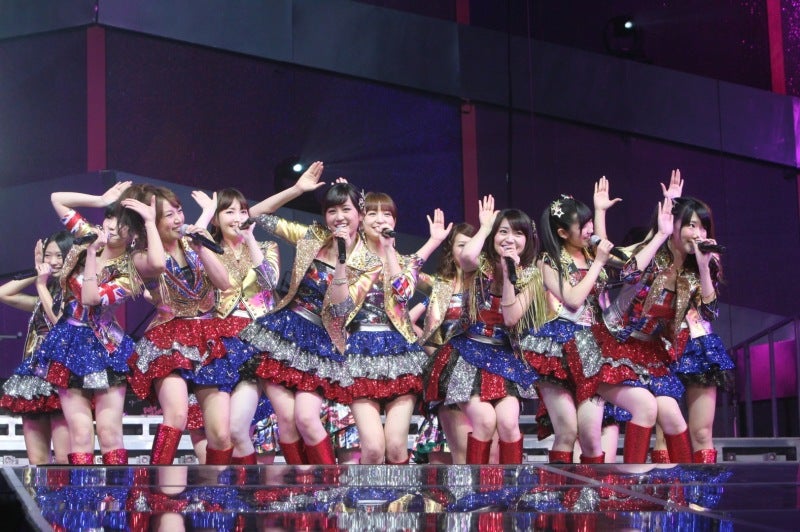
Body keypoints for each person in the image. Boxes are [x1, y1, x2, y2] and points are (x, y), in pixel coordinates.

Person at [570, 192, 716, 464]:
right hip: (611, 346)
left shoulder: (693, 274)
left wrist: (705, 268)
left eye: (703, 227)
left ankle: (683, 486)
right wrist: (660, 235)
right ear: (674, 224)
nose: (698, 234)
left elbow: (707, 313)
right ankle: (630, 483)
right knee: (644, 409)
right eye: (691, 225)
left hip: (649, 352)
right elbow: (628, 271)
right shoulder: (652, 254)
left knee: (673, 417)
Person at [242, 171, 362, 465]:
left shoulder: (368, 260)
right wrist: (296, 189)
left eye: (346, 209)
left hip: (323, 341)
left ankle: (326, 484)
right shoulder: (313, 237)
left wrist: (343, 258)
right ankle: (302, 487)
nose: (339, 217)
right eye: (331, 210)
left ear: (360, 214)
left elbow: (342, 307)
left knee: (307, 418)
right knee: (286, 420)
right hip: (285, 332)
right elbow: (254, 215)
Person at [326, 193, 450, 464]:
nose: (379, 219)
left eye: (387, 214)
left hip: (399, 354)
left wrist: (390, 250)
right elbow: (338, 307)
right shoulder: (350, 257)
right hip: (359, 352)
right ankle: (366, 494)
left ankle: (399, 494)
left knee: (395, 447)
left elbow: (403, 293)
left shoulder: (405, 261)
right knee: (372, 449)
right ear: (361, 219)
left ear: (394, 221)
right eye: (372, 213)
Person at [120, 184, 233, 465]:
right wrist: (149, 222)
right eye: (168, 215)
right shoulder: (140, 256)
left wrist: (201, 247)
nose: (178, 219)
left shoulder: (194, 242)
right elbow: (158, 265)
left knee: (221, 433)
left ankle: (217, 489)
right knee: (177, 416)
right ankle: (156, 484)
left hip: (207, 336)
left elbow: (224, 283)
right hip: (168, 339)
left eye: (179, 211)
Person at [431, 196, 547, 465]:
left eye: (518, 233)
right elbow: (466, 256)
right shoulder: (479, 264)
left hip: (504, 358)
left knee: (508, 423)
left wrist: (508, 275)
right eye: (503, 231)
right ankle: (478, 484)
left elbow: (511, 317)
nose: (510, 239)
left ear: (528, 240)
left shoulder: (531, 276)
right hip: (467, 353)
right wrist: (484, 227)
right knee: (483, 420)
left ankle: (509, 485)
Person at [38, 182, 142, 465]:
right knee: (81, 433)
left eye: (122, 224)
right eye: (110, 218)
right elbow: (57, 197)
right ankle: (81, 493)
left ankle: (117, 493)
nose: (112, 227)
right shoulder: (87, 235)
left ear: (133, 234)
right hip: (68, 342)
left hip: (106, 347)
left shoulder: (129, 273)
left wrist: (93, 255)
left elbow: (90, 298)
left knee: (109, 433)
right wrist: (100, 200)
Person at [191, 187, 280, 465]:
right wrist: (205, 214)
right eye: (229, 212)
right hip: (218, 341)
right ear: (217, 219)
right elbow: (188, 244)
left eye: (242, 211)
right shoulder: (208, 249)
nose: (238, 217)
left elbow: (270, 282)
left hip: (256, 341)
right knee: (215, 434)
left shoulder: (266, 247)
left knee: (241, 429)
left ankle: (248, 488)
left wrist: (251, 238)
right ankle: (224, 488)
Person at [0, 232, 73, 464]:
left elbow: (58, 319)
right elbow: (3, 293)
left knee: (65, 459)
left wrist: (41, 284)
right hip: (34, 378)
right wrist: (36, 271)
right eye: (48, 256)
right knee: (37, 462)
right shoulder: (43, 296)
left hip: (63, 375)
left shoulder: (77, 293)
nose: (53, 261)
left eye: (59, 256)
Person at [413, 222, 477, 464]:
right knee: (455, 459)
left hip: (483, 372)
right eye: (461, 245)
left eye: (472, 245)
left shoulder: (488, 285)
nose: (467, 250)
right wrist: (442, 360)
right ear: (451, 250)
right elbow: (424, 333)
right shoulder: (441, 287)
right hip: (449, 378)